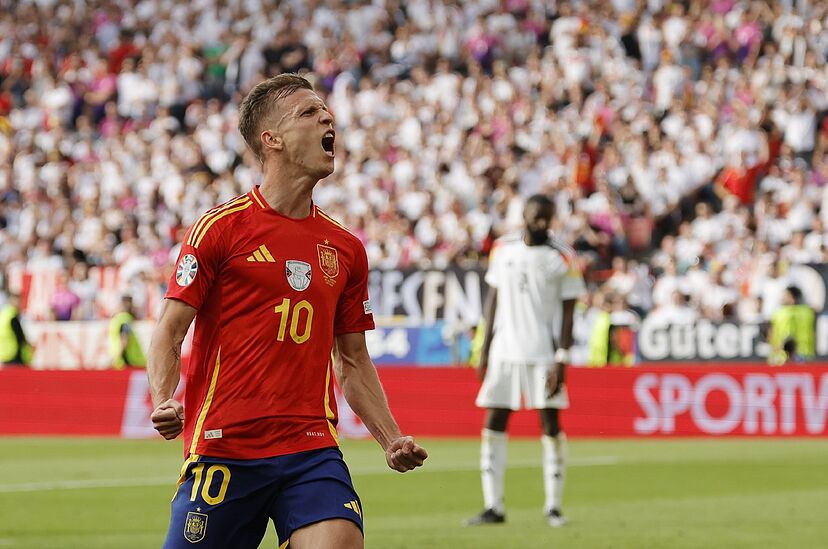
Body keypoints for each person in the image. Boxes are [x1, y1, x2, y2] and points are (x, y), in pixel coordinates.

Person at [147, 73, 427, 549]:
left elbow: (353, 361)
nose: (327, 117)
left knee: (339, 540)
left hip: (311, 448)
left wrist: (390, 438)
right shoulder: (219, 229)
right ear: (270, 140)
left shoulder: (346, 248)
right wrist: (163, 398)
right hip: (226, 447)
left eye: (325, 111)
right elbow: (170, 331)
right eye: (308, 112)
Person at [466, 194, 585, 528]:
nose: (544, 224)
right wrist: (485, 349)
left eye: (548, 218)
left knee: (550, 424)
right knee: (494, 422)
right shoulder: (503, 248)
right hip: (504, 350)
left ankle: (553, 506)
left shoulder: (563, 256)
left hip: (543, 353)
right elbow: (493, 300)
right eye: (537, 217)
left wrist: (561, 359)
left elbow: (568, 311)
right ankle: (494, 506)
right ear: (525, 216)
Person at [768, 286, 815, 365]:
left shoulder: (781, 313)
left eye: (785, 295)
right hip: (805, 354)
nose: (782, 297)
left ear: (792, 297)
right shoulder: (808, 312)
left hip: (788, 356)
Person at [109, 296, 147, 369]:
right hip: (133, 361)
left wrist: (117, 357)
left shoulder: (122, 319)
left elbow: (124, 339)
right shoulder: (125, 319)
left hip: (128, 361)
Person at [0, 294, 33, 366]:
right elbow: (20, 336)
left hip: (3, 354)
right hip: (13, 353)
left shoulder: (3, 313)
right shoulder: (12, 316)